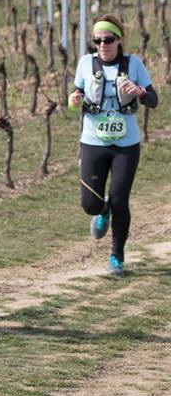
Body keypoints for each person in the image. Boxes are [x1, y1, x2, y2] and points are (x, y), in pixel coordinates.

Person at [68, 15, 158, 277]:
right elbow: (76, 96)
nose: (102, 45)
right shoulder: (85, 64)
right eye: (97, 40)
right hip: (93, 141)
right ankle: (101, 209)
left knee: (120, 200)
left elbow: (153, 100)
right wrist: (73, 101)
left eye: (108, 40)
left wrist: (140, 92)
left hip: (125, 145)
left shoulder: (134, 64)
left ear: (119, 40)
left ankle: (116, 256)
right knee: (90, 205)